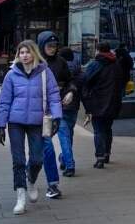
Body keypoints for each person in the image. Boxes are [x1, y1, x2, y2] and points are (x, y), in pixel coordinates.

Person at [0, 40, 62, 215]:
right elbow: (4, 101)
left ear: (34, 53)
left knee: (37, 159)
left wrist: (57, 116)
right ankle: (20, 197)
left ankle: (31, 179)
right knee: (18, 160)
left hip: (37, 121)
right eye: (21, 52)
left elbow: (54, 95)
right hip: (15, 122)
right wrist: (1, 125)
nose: (24, 55)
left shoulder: (45, 72)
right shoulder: (11, 74)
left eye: (27, 52)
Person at [37, 31, 73, 199]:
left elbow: (70, 80)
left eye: (54, 46)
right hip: (35, 113)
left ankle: (52, 184)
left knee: (49, 148)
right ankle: (32, 174)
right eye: (49, 46)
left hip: (54, 110)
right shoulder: (34, 62)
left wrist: (70, 91)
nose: (52, 49)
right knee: (43, 151)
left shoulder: (61, 62)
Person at [81, 42, 123, 169]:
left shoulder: (95, 64)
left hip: (98, 102)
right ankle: (106, 154)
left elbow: (86, 81)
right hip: (112, 102)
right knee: (107, 129)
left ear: (98, 51)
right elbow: (121, 82)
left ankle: (99, 157)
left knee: (98, 130)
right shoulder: (116, 64)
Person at [57, 47, 81, 177]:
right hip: (74, 108)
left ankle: (69, 164)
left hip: (61, 106)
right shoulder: (79, 71)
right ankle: (64, 158)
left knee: (63, 137)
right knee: (68, 135)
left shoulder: (59, 69)